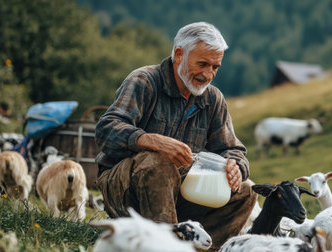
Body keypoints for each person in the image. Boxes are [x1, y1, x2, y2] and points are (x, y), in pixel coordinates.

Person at [94, 22, 257, 251]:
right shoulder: (144, 81)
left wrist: (235, 166)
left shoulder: (213, 99)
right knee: (159, 162)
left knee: (245, 190)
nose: (208, 74)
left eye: (215, 67)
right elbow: (106, 129)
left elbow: (233, 149)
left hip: (184, 192)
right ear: (179, 54)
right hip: (125, 189)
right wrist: (150, 140)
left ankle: (197, 247)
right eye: (202, 64)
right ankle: (164, 247)